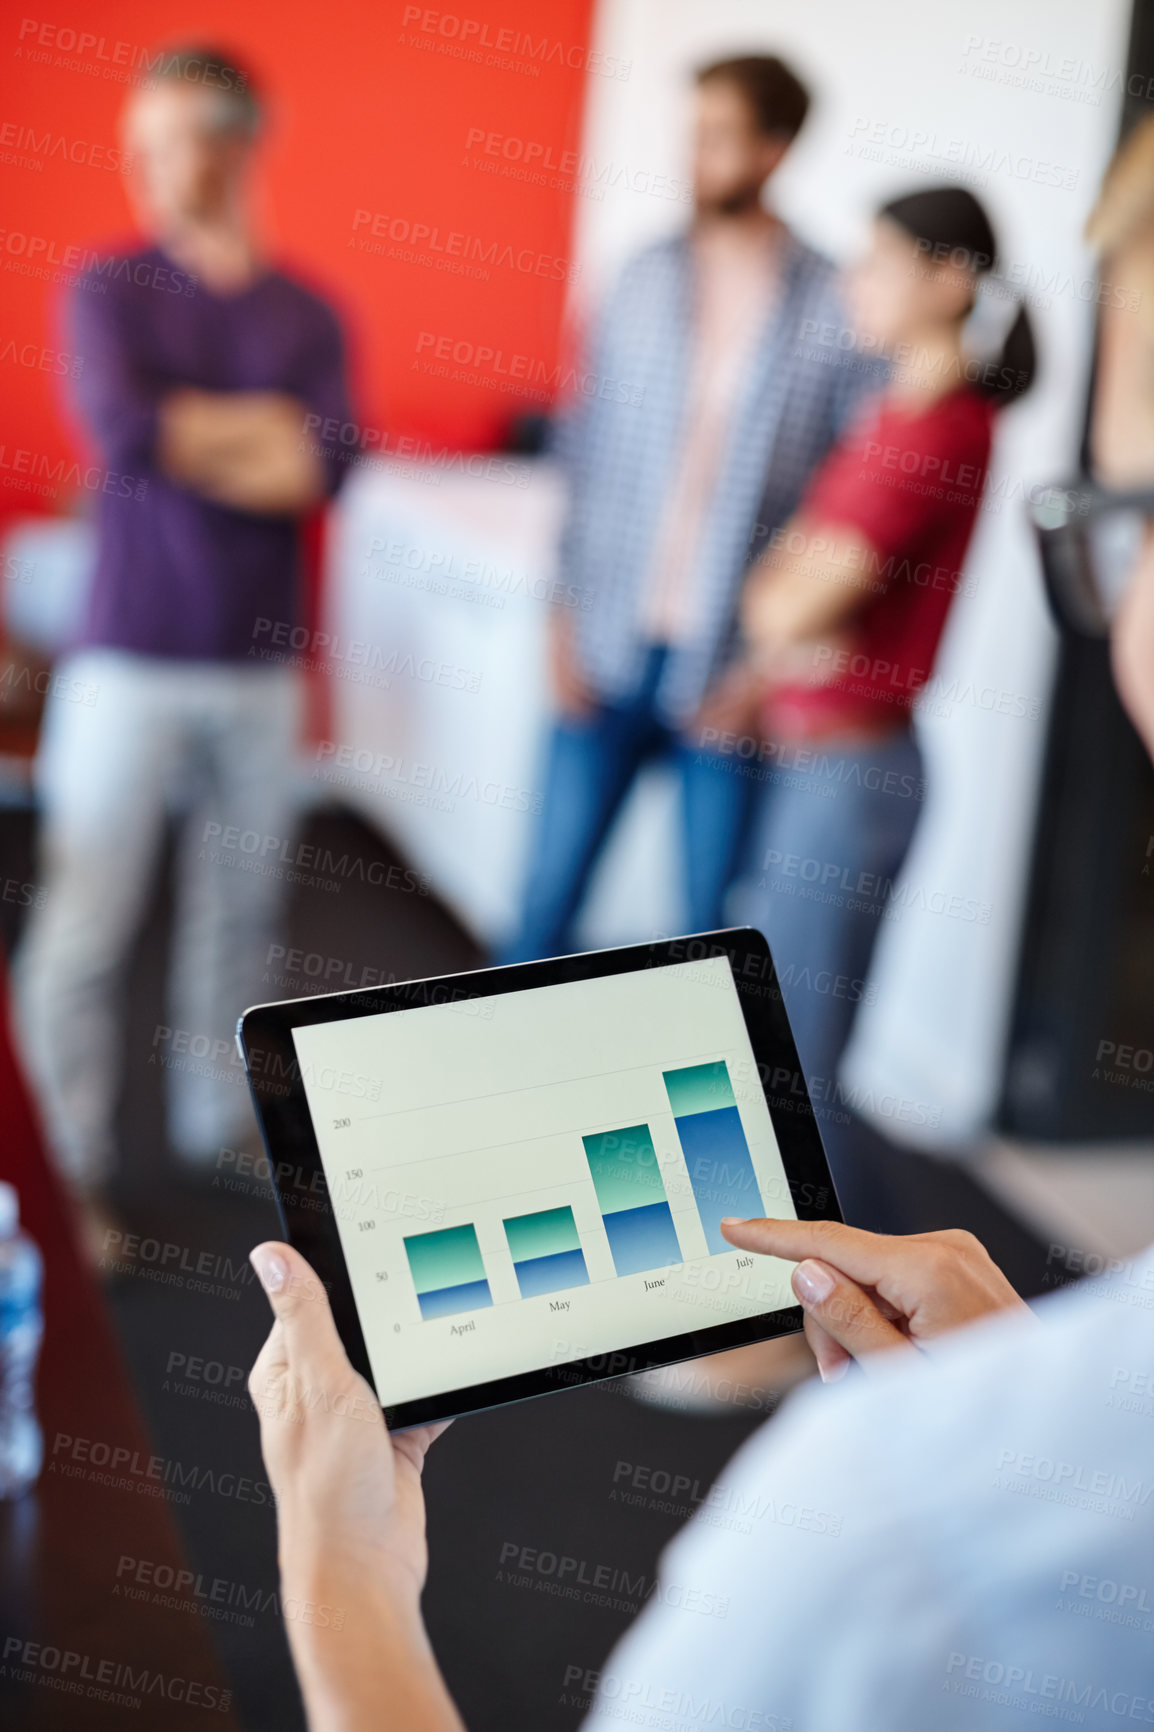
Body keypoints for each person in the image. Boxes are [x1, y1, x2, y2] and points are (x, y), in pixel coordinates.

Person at [239, 113, 1154, 1730]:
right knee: (766, 1040)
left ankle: (732, 1325)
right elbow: (764, 570)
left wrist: (333, 1561)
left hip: (833, 761)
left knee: (783, 1058)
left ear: (940, 278)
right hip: (789, 748)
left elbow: (790, 594)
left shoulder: (878, 1545)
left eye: (1120, 516)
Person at [13, 46, 353, 1251]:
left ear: (238, 139)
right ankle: (69, 1168)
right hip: (124, 654)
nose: (153, 171)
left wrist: (192, 431)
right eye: (138, 146)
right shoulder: (105, 286)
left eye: (177, 142)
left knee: (240, 911)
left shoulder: (306, 310)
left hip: (259, 665)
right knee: (82, 919)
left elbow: (318, 465)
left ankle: (221, 1125)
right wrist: (241, 433)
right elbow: (120, 430)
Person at [501, 54, 878, 963]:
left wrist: (765, 673)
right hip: (604, 641)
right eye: (691, 130)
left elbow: (843, 510)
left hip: (730, 667)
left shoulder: (832, 302)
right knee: (543, 907)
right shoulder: (640, 277)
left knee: (710, 935)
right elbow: (583, 461)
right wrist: (558, 617)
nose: (693, 153)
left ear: (774, 149)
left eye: (717, 135)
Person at [727, 185, 1035, 1120]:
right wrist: (784, 603)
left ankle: (845, 1271)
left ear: (948, 280)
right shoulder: (892, 414)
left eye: (876, 264)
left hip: (849, 779)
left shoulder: (934, 430)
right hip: (822, 765)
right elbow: (784, 598)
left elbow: (782, 611)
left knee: (796, 1080)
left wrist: (783, 604)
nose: (851, 284)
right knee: (774, 1060)